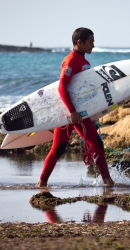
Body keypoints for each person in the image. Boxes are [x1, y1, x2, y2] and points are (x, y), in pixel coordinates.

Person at [37, 27, 115, 187]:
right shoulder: (71, 60)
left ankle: (42, 183)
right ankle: (108, 182)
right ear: (79, 42)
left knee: (63, 147)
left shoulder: (84, 62)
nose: (93, 45)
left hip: (79, 111)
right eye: (90, 42)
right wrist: (72, 112)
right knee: (66, 147)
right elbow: (62, 87)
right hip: (70, 112)